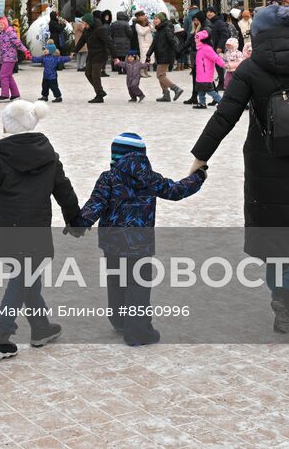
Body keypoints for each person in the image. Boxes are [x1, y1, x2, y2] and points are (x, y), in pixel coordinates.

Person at [191, 3, 289, 335]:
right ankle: (287, 296)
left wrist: (201, 157)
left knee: (273, 239)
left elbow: (224, 116)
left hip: (263, 162)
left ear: (258, 34)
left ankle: (281, 297)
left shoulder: (249, 70)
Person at [0, 100, 79, 361]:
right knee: (23, 280)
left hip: (8, 232)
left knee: (25, 279)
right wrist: (74, 219)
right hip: (36, 232)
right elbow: (64, 190)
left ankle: (40, 328)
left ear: (7, 127)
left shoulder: (0, 157)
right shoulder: (49, 156)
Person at [74, 134, 206, 346]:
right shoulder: (150, 178)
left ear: (115, 156)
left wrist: (79, 225)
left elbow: (95, 204)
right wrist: (198, 177)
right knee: (138, 283)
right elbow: (176, 190)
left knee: (116, 279)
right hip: (140, 244)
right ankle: (138, 331)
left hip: (112, 243)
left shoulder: (108, 178)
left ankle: (119, 320)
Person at [0, 17, 30, 101]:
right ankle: (15, 95)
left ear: (5, 24)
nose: (0, 26)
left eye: (2, 24)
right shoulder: (0, 34)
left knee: (3, 75)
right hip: (4, 58)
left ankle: (5, 95)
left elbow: (18, 43)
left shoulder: (11, 33)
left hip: (10, 58)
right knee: (8, 76)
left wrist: (26, 51)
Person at [72, 12, 114, 103]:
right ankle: (100, 91)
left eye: (84, 23)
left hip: (100, 55)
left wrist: (115, 56)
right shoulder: (87, 30)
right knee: (87, 73)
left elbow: (109, 43)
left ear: (89, 23)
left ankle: (99, 96)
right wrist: (74, 51)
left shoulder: (100, 29)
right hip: (91, 54)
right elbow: (82, 41)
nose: (83, 25)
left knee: (95, 75)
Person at [149, 15, 183, 103]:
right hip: (160, 55)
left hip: (166, 55)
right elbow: (154, 44)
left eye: (157, 19)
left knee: (160, 75)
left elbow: (172, 41)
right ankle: (166, 95)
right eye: (154, 19)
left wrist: (178, 52)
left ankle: (176, 89)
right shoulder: (159, 30)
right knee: (161, 75)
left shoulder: (166, 29)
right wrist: (148, 54)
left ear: (162, 19)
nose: (155, 20)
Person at [191, 30, 225, 109]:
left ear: (202, 39)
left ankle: (222, 102)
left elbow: (216, 58)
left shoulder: (207, 48)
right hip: (200, 74)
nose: (195, 40)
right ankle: (202, 103)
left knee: (210, 91)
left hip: (206, 74)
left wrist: (223, 64)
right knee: (200, 90)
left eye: (197, 38)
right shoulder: (199, 49)